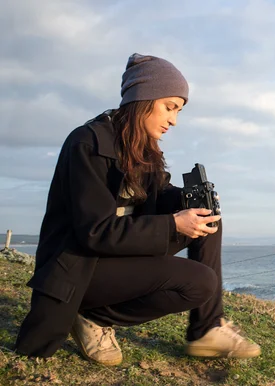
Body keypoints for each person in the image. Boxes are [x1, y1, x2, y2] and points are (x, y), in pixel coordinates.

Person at [13, 53, 261, 366]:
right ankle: (91, 316)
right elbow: (95, 232)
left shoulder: (143, 149)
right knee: (200, 280)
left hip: (117, 259)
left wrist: (190, 203)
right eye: (169, 107)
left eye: (179, 111)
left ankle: (207, 328)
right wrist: (173, 225)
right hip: (77, 268)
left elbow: (158, 196)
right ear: (143, 99)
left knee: (208, 218)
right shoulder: (87, 143)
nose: (174, 120)